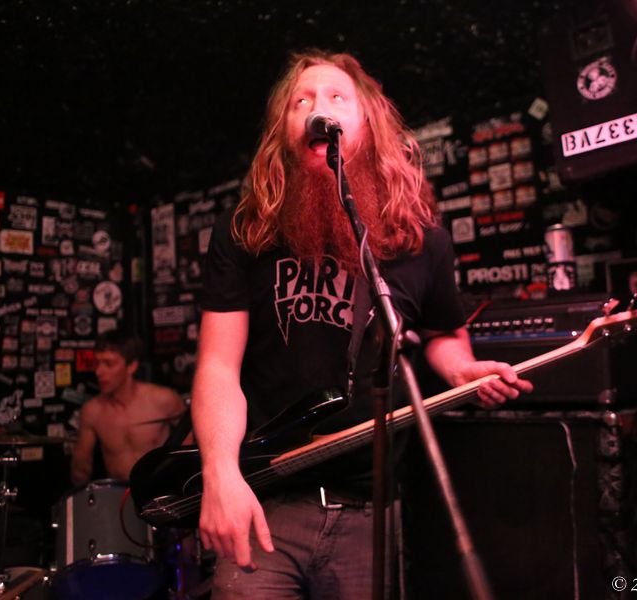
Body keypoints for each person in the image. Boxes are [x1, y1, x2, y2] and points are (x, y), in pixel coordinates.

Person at [192, 49, 533, 598]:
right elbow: (217, 366)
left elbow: (443, 333)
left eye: (336, 97)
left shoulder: (422, 240)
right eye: (301, 101)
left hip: (370, 510)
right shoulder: (244, 232)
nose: (318, 109)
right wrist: (220, 474)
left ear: (368, 123)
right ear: (283, 130)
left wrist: (461, 369)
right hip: (265, 499)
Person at [71, 331, 184, 485]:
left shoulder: (164, 399)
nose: (98, 372)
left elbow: (191, 447)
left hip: (162, 492)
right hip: (119, 494)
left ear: (131, 366)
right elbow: (81, 470)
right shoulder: (92, 411)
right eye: (97, 363)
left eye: (108, 364)